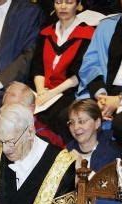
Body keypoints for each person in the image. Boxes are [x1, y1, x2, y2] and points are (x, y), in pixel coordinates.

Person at [31, 0, 95, 141]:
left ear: (78, 5)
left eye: (69, 2)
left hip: (70, 91)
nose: (63, 7)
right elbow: (37, 66)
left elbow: (80, 73)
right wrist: (41, 91)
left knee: (58, 115)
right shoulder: (45, 32)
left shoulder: (88, 34)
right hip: (42, 90)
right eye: (58, 2)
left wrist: (50, 94)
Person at [77, 0, 122, 150]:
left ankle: (120, 167)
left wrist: (120, 99)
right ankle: (83, 163)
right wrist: (100, 95)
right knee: (69, 115)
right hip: (102, 89)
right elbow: (90, 63)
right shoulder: (106, 26)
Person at [66, 98, 122, 173]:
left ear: (97, 123)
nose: (76, 127)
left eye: (81, 121)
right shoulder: (68, 151)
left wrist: (80, 170)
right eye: (72, 122)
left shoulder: (112, 154)